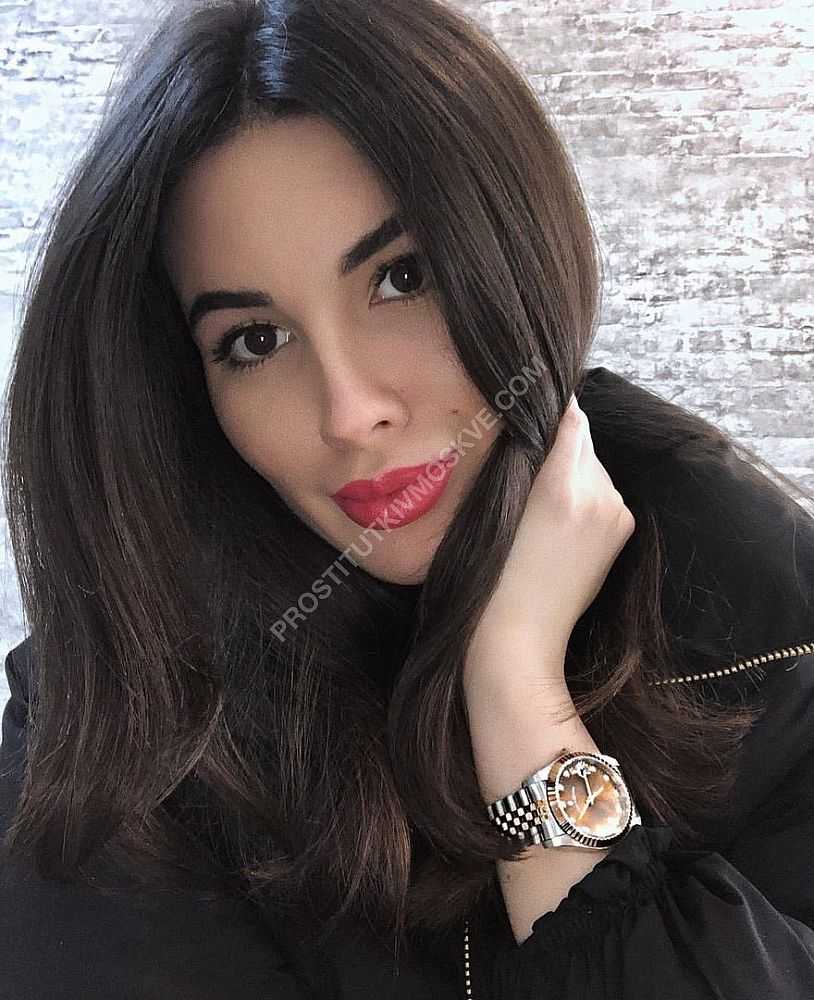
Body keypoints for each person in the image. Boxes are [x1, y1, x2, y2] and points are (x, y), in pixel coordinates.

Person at [1, 0, 813, 997]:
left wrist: (516, 694)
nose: (351, 412)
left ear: (515, 250)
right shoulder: (123, 698)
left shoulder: (754, 616)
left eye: (402, 278)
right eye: (254, 340)